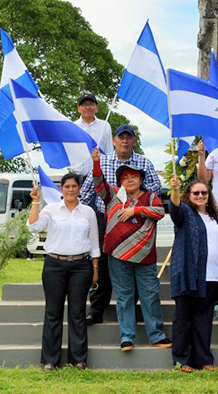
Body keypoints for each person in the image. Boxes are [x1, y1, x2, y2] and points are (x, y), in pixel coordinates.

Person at [79, 123, 162, 325]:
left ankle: (131, 311)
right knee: (104, 265)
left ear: (134, 141)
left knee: (131, 264)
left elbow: (156, 189)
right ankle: (97, 309)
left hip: (136, 221)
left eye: (129, 137)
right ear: (114, 141)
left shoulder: (144, 162)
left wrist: (135, 197)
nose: (125, 141)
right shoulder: (103, 161)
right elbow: (87, 192)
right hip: (105, 219)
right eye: (121, 137)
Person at [91, 155, 170, 352]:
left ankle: (157, 335)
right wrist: (96, 163)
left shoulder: (150, 197)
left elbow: (160, 212)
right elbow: (98, 184)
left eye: (134, 176)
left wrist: (136, 210)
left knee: (150, 295)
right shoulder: (114, 195)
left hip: (145, 257)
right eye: (125, 177)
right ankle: (127, 337)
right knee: (124, 297)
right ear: (120, 182)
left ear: (141, 179)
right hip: (117, 256)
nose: (130, 180)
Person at [26, 172, 100, 371]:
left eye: (74, 186)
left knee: (77, 313)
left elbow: (93, 242)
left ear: (79, 189)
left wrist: (95, 268)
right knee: (53, 312)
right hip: (54, 266)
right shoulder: (51, 210)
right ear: (61, 190)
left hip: (81, 266)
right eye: (67, 187)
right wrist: (35, 202)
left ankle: (79, 359)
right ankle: (50, 359)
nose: (70, 190)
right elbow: (33, 227)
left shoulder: (87, 212)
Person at [167, 174, 218, 372]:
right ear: (188, 195)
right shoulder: (185, 213)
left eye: (204, 193)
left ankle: (203, 359)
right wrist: (175, 190)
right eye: (196, 193)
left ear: (209, 195)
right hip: (188, 276)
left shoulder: (214, 218)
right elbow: (174, 208)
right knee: (183, 319)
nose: (200, 196)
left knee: (204, 319)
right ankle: (182, 360)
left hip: (211, 276)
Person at [68, 92, 113, 180]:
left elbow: (109, 152)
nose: (88, 107)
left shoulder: (105, 126)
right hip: (77, 178)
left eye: (91, 104)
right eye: (84, 105)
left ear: (96, 108)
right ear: (78, 108)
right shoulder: (72, 127)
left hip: (99, 177)